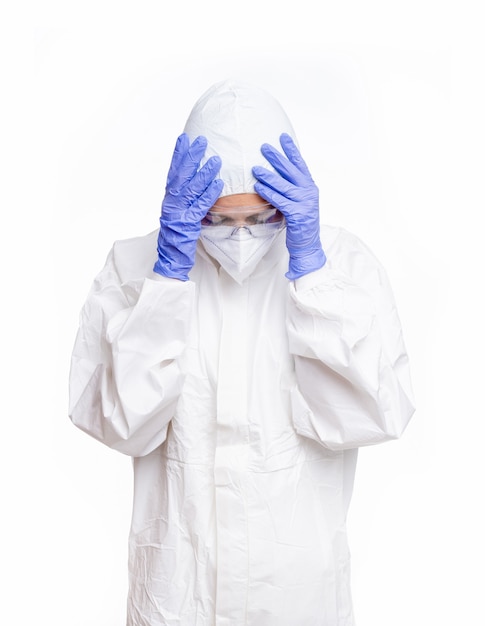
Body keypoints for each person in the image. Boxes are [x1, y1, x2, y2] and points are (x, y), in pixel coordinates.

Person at [69, 79, 415, 626]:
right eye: (218, 219)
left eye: (259, 219)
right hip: (179, 598)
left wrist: (313, 280)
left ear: (288, 201)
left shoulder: (343, 267)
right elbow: (120, 425)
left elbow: (373, 415)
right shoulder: (134, 269)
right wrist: (166, 282)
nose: (240, 237)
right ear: (189, 203)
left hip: (295, 598)